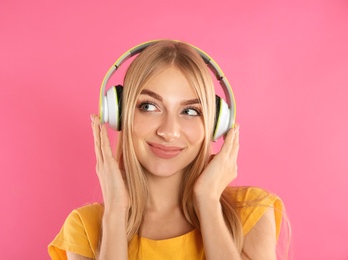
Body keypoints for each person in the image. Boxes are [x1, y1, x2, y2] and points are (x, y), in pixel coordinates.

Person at [48, 40, 286, 259]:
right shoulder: (85, 227)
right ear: (120, 114)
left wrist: (208, 201)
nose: (169, 131)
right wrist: (116, 212)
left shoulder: (252, 210)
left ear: (216, 125)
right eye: (149, 106)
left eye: (190, 111)